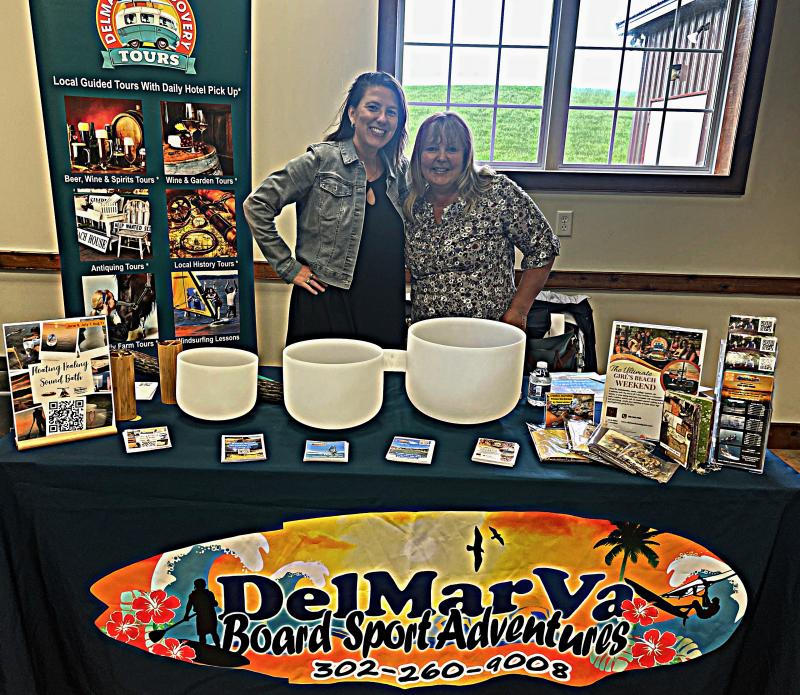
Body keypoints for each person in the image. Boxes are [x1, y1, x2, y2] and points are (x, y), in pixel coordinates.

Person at [244, 72, 409, 348]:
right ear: (353, 113)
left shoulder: (400, 172)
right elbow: (257, 205)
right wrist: (287, 266)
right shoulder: (322, 161)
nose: (382, 118)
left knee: (378, 377)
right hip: (325, 305)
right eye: (373, 107)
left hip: (383, 306)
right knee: (321, 376)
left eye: (391, 112)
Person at [404, 112, 558, 331]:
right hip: (429, 336)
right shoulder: (412, 205)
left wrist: (519, 310)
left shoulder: (495, 192)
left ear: (466, 155)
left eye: (452, 149)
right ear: (419, 156)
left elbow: (543, 246)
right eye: (431, 148)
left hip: (490, 335)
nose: (441, 157)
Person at [184, 578, 220, 647]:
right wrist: (186, 615)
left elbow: (215, 603)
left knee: (212, 632)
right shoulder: (193, 595)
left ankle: (218, 647)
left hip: (210, 615)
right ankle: (203, 648)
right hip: (202, 616)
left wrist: (186, 615)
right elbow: (189, 605)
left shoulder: (208, 594)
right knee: (203, 634)